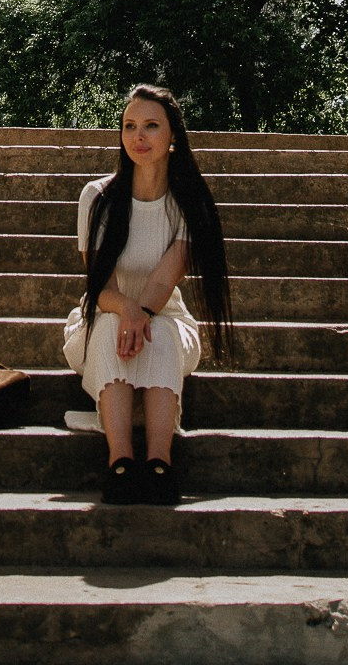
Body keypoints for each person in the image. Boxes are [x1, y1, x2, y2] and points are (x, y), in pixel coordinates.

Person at [62, 83, 233, 505]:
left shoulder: (187, 203)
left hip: (165, 314)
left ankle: (159, 463)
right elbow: (100, 285)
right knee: (108, 331)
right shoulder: (97, 197)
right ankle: (120, 462)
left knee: (160, 335)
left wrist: (139, 314)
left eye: (151, 126)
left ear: (173, 134)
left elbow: (163, 281)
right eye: (129, 126)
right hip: (104, 310)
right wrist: (126, 312)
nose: (138, 136)